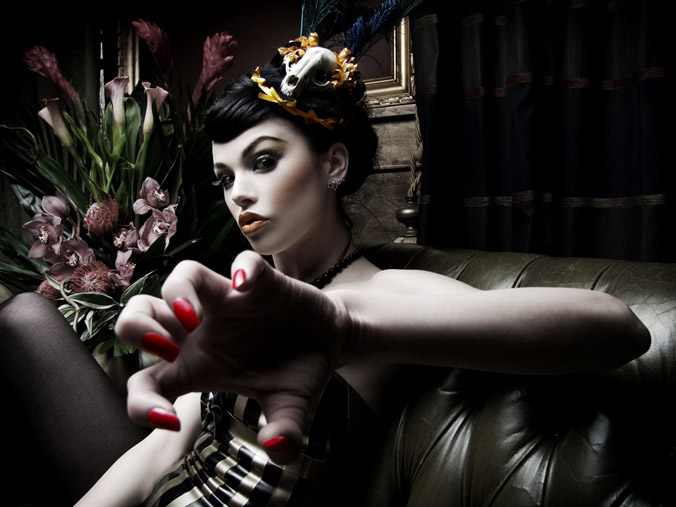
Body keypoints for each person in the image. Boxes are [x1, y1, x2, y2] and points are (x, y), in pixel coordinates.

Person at [1, 35, 649, 507]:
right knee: (27, 313)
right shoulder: (240, 293)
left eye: (264, 161)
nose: (239, 192)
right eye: (224, 177)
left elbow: (619, 328)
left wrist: (346, 328)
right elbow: (163, 450)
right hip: (169, 491)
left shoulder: (380, 292)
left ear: (333, 164)